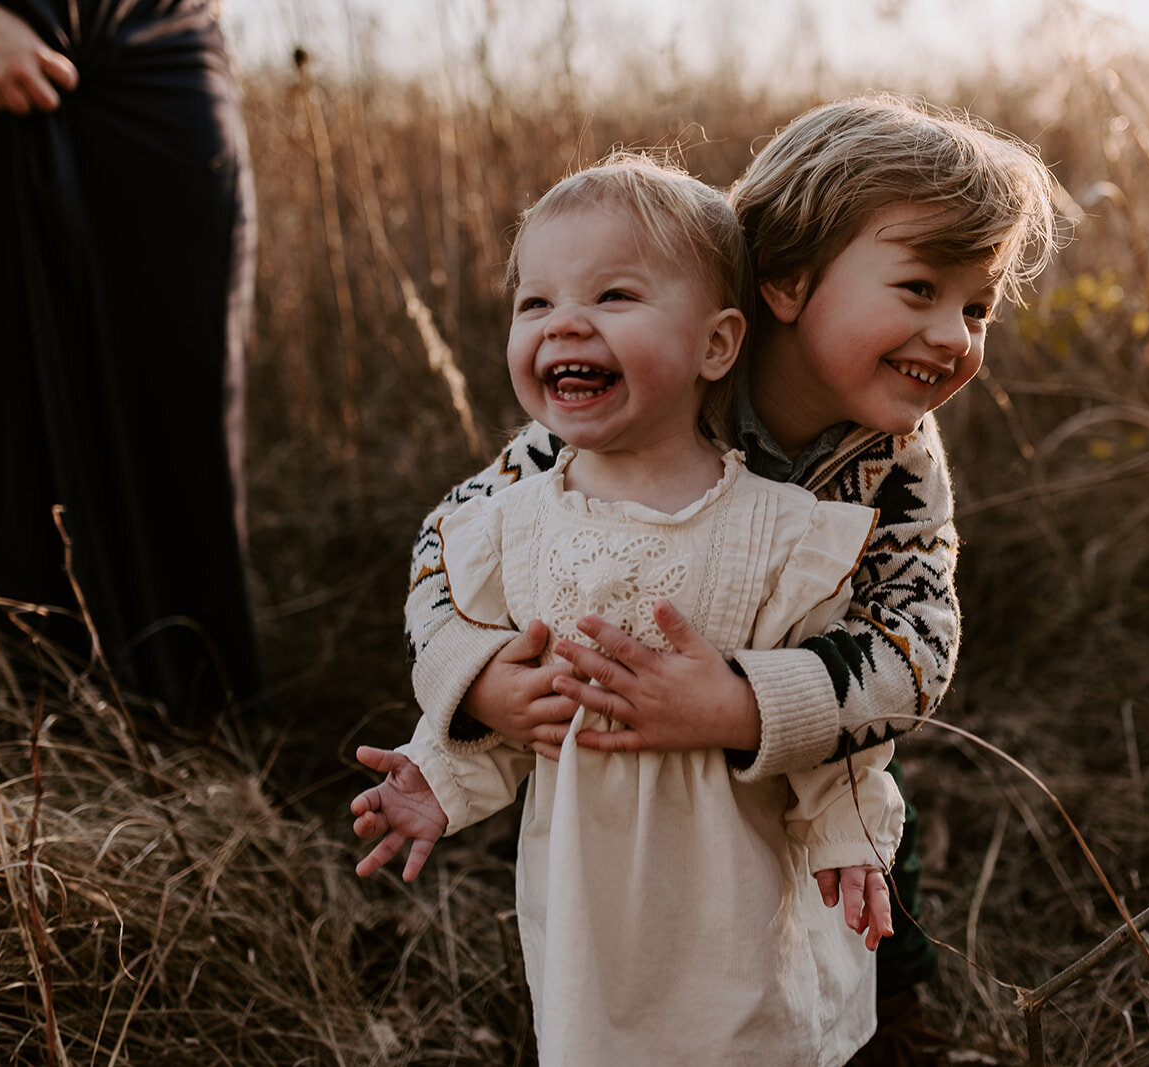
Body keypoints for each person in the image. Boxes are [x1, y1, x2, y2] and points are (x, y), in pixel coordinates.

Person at [398, 93, 1060, 1062]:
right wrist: (482, 676)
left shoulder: (897, 456)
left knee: (867, 798)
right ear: (786, 285)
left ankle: (887, 1018)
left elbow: (915, 644)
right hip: (619, 743)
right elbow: (447, 554)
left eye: (977, 305)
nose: (956, 335)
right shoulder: (650, 390)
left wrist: (748, 702)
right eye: (920, 289)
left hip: (794, 712)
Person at [352, 155, 906, 1066]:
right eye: (535, 304)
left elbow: (830, 708)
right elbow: (517, 713)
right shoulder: (507, 532)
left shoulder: (778, 535)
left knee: (753, 1040)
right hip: (591, 917)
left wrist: (848, 828)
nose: (565, 321)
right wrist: (436, 771)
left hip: (739, 893)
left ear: (717, 346)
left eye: (615, 296)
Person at [0, 0, 264, 724]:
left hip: (162, 37)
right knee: (12, 434)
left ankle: (214, 740)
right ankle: (74, 745)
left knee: (188, 421)